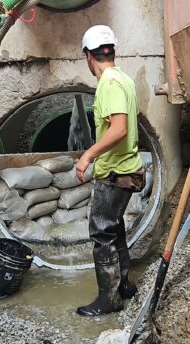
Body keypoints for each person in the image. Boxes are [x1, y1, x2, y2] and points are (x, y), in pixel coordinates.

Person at [75, 25, 144, 316]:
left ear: (89, 56)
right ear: (111, 51)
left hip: (116, 174)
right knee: (114, 229)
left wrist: (87, 155)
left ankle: (109, 299)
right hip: (125, 170)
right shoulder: (123, 79)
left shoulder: (110, 83)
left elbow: (119, 128)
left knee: (101, 232)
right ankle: (124, 285)